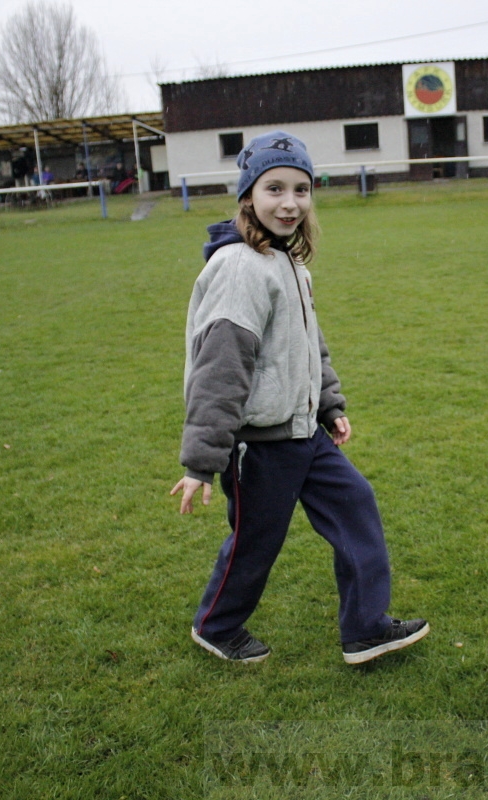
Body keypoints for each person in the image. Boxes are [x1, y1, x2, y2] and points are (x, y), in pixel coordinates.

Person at [171, 130, 428, 665]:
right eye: (275, 189)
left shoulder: (288, 263)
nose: (290, 203)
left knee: (355, 505)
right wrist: (201, 463)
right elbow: (220, 370)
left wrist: (329, 404)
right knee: (255, 542)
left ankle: (365, 629)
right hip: (260, 445)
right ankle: (216, 626)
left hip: (304, 432)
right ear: (248, 195)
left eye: (301, 189)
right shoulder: (240, 268)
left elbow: (309, 345)